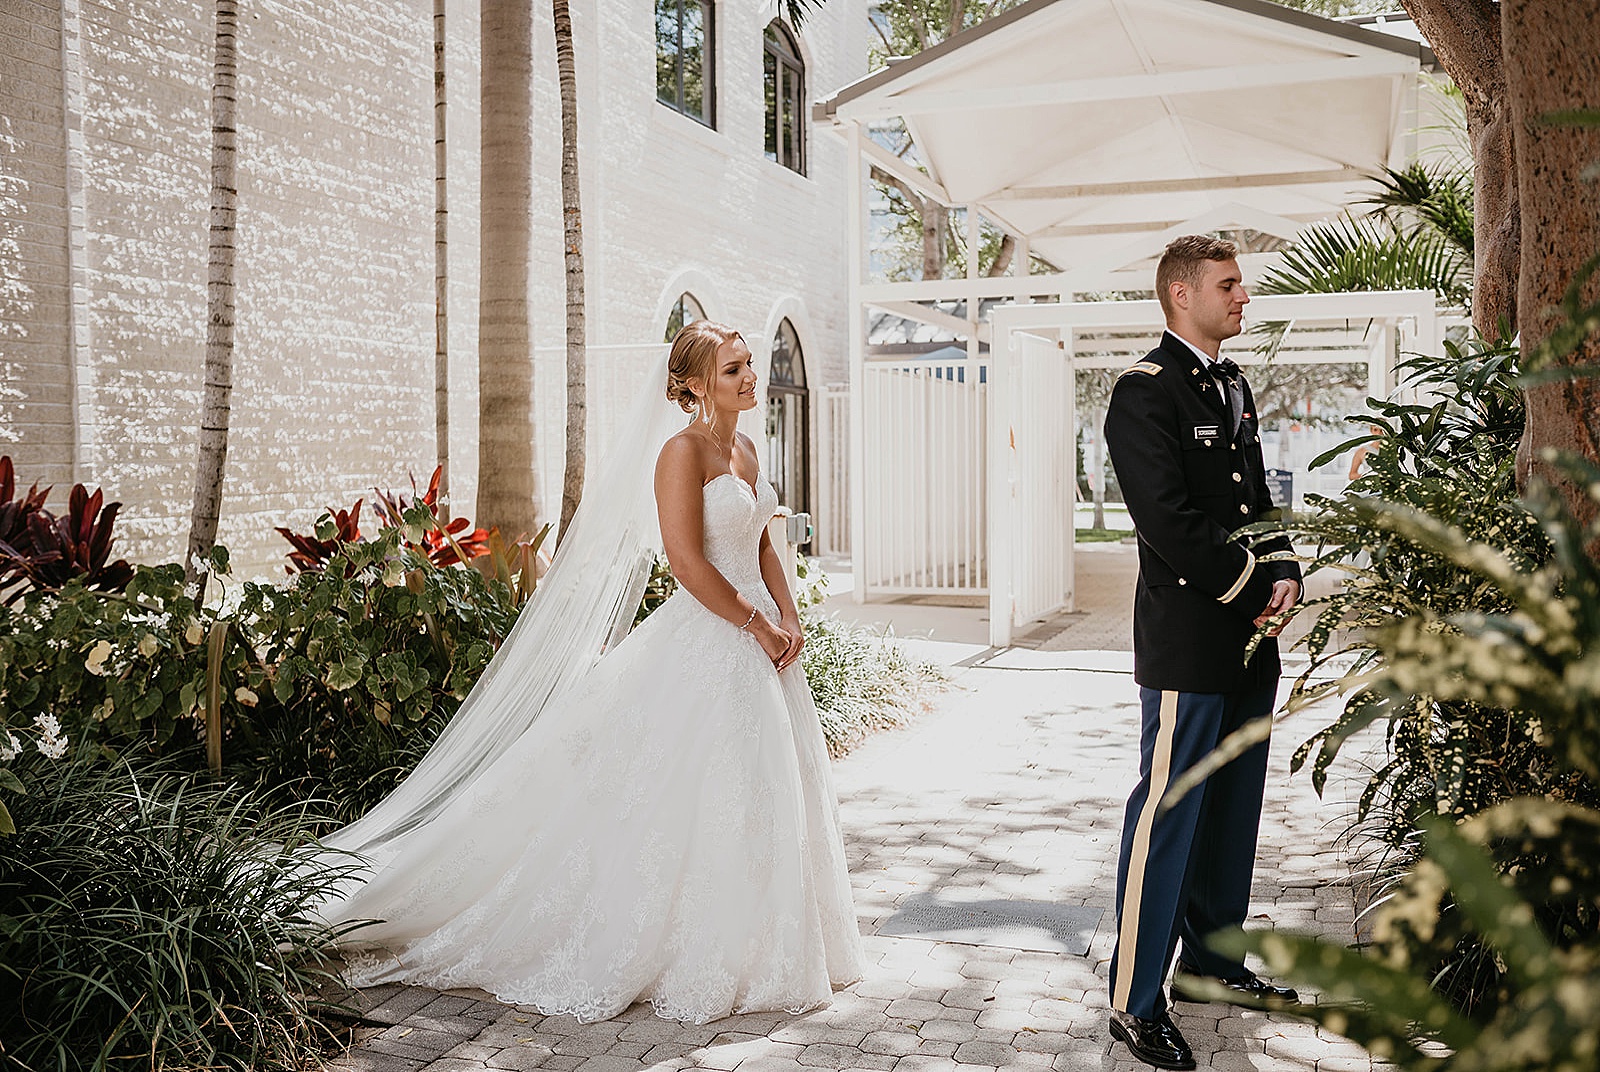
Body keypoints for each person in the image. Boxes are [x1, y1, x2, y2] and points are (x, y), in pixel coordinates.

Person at [317, 320, 864, 1025]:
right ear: (695, 384)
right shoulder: (681, 452)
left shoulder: (750, 448)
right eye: (733, 370)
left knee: (763, 791)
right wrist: (755, 626)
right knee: (685, 792)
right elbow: (687, 563)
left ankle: (767, 945)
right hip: (714, 634)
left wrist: (790, 617)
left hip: (763, 639)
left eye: (750, 364)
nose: (751, 377)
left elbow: (761, 542)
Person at [1102, 236, 1303, 1070]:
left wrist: (1286, 565)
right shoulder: (1143, 393)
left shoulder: (1236, 385)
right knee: (1170, 814)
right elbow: (1169, 521)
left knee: (1231, 814)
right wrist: (1255, 584)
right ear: (1181, 295)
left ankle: (1212, 970)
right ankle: (1133, 1002)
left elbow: (1256, 495)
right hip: (1191, 638)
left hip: (1249, 643)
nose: (1242, 297)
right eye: (1228, 286)